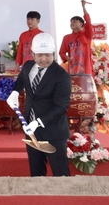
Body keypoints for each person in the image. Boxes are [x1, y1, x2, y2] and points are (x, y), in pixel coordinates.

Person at [7, 33, 71, 177]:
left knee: (61, 174)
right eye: (40, 55)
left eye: (48, 55)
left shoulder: (61, 76)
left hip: (54, 131)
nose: (44, 59)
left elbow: (62, 107)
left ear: (53, 53)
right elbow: (22, 79)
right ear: (33, 54)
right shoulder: (28, 66)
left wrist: (39, 122)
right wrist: (15, 92)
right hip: (31, 130)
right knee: (36, 173)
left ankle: (66, 199)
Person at [59, 0, 94, 75]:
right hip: (72, 70)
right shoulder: (67, 37)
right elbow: (61, 52)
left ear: (81, 24)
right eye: (71, 22)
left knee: (86, 86)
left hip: (86, 70)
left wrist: (83, 7)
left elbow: (88, 21)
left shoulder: (86, 35)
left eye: (75, 21)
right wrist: (66, 57)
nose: (72, 23)